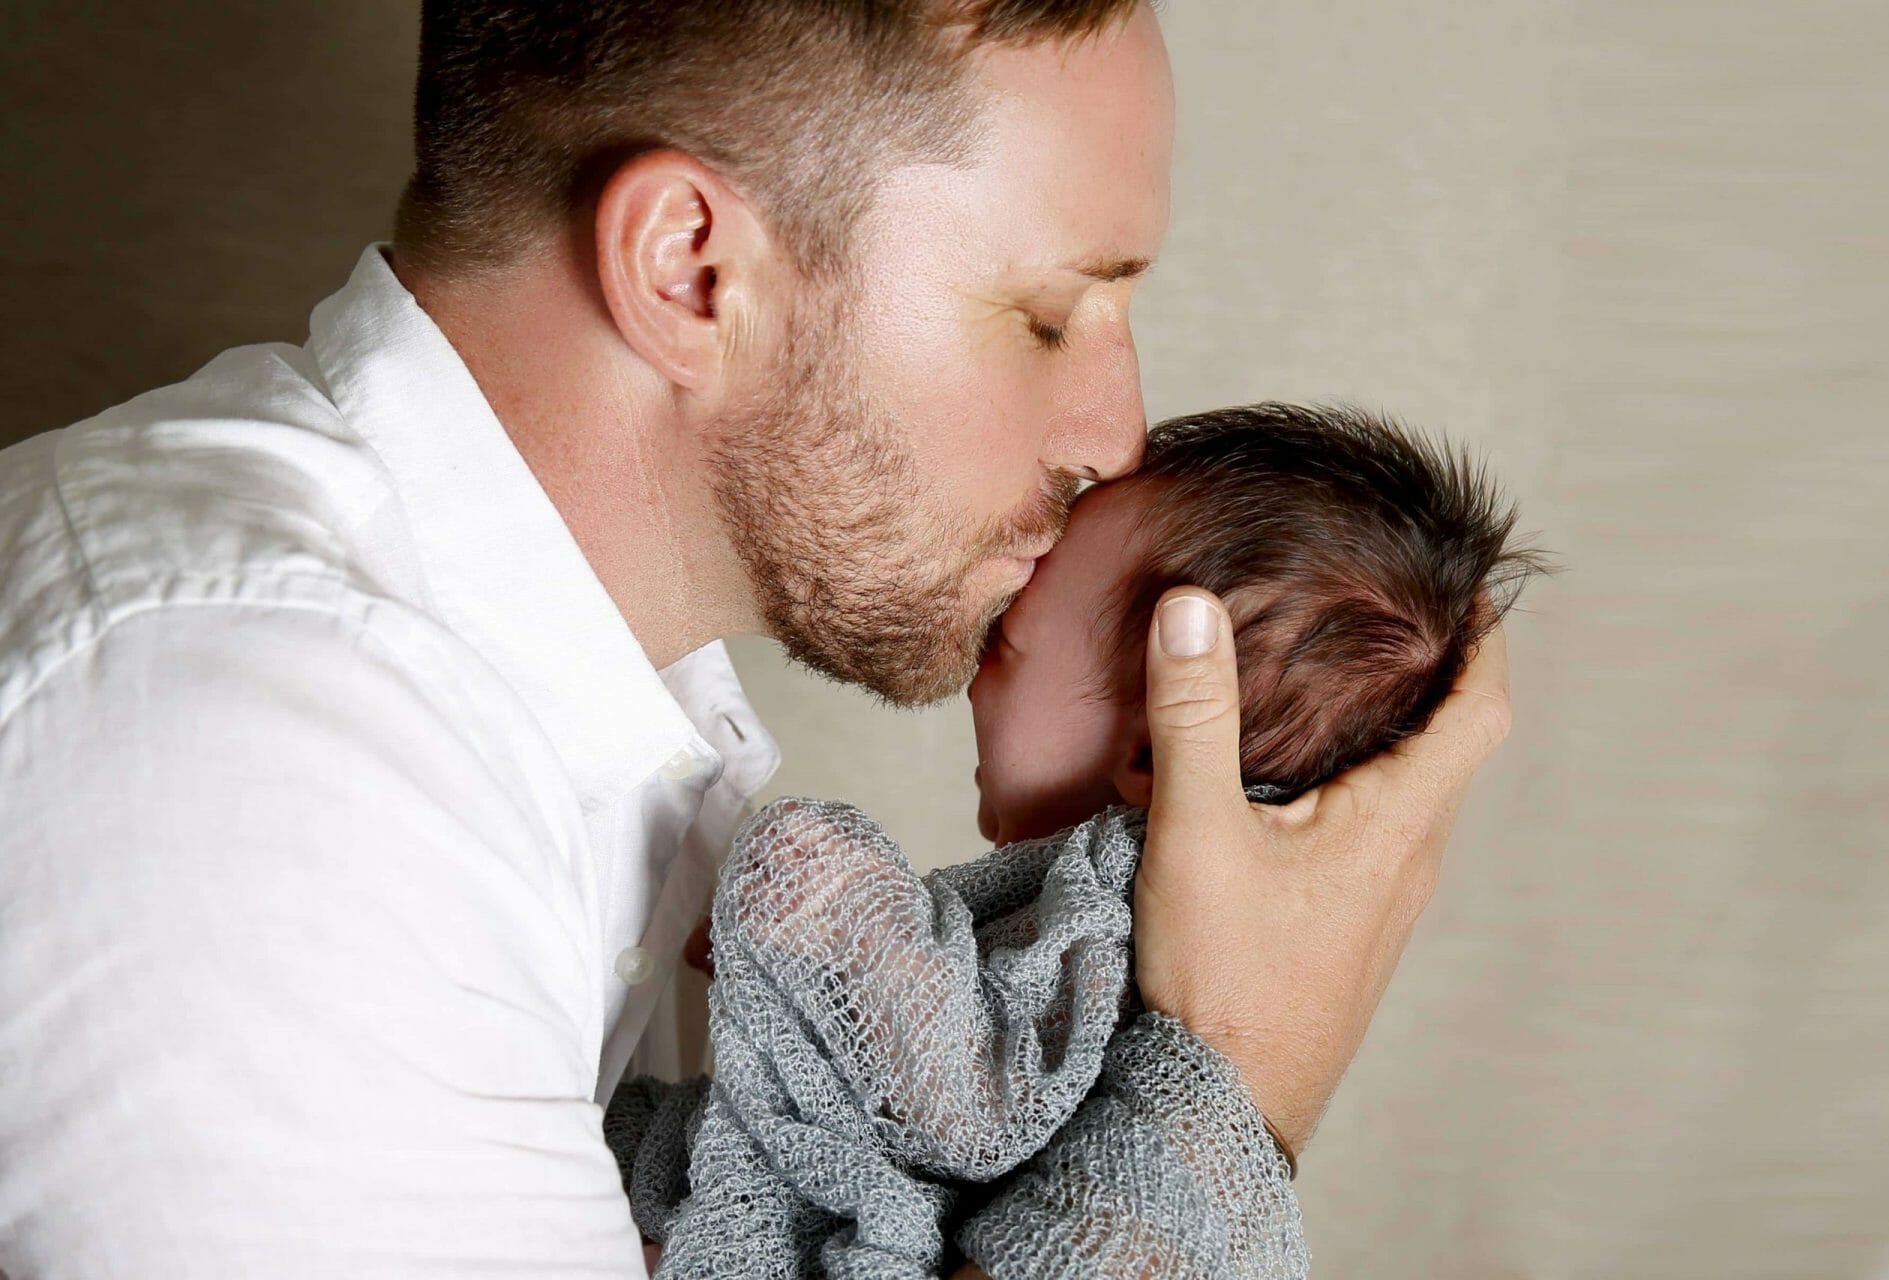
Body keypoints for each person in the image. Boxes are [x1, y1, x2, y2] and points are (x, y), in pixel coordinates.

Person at [0, 4, 1512, 1277]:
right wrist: (1236, 1081)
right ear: (691, 272)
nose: (1116, 438)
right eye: (1052, 315)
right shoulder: (258, 777)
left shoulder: (561, 710)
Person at [605, 402, 1541, 1278]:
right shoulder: (1140, 921)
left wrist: (819, 896)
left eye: (1002, 644)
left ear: (1154, 749)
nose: (974, 681)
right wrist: (818, 987)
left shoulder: (1114, 913)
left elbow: (974, 1104)